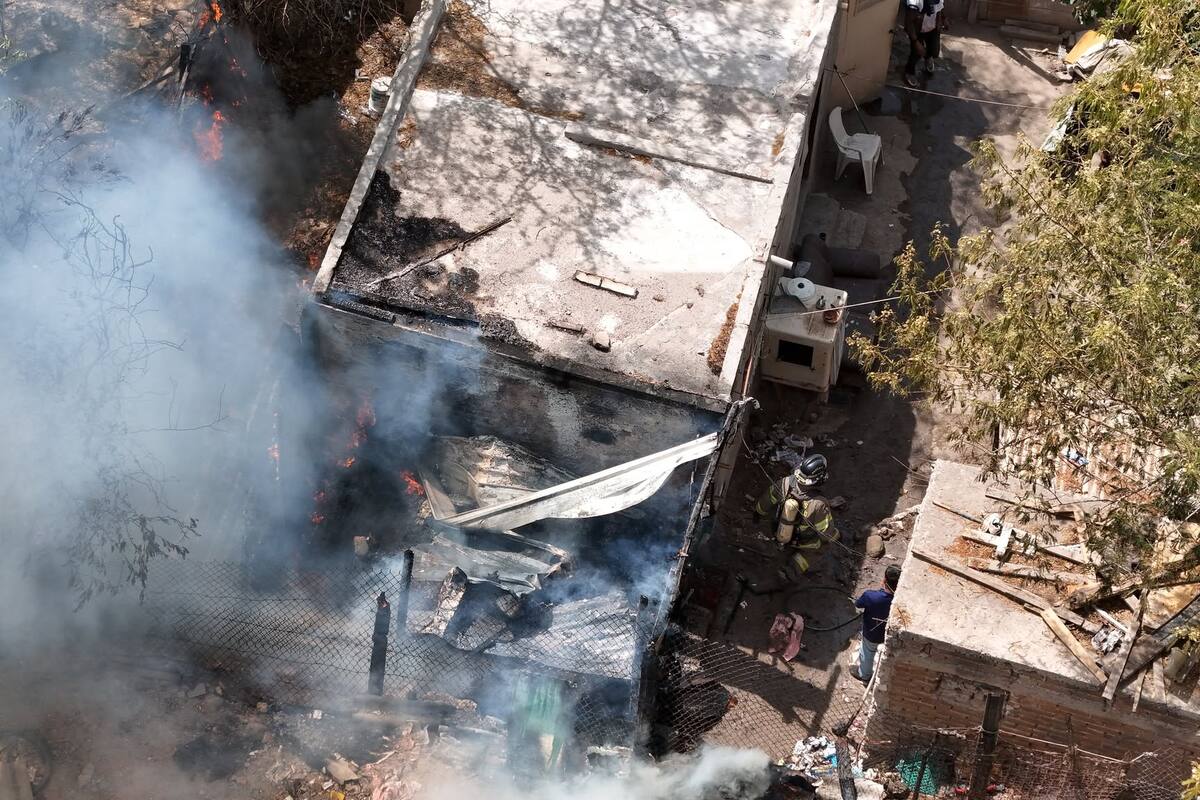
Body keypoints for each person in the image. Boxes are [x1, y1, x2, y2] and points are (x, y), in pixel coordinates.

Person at [754, 454, 840, 580]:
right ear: (818, 479)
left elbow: (767, 500)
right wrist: (837, 536)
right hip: (801, 542)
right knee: (821, 547)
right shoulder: (819, 503)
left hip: (777, 531)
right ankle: (791, 571)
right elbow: (825, 533)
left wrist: (757, 513)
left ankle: (781, 546)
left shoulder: (785, 482)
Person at [853, 565, 900, 682]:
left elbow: (858, 604)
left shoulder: (871, 596)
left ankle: (864, 675)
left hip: (871, 634)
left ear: (884, 580)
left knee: (867, 653)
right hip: (888, 635)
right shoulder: (899, 601)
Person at [903, 0, 949, 88]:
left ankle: (928, 57)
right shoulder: (915, 2)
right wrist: (916, 42)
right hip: (918, 31)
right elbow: (908, 23)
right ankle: (909, 72)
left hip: (932, 28)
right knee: (916, 54)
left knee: (934, 52)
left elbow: (940, 6)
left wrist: (943, 18)